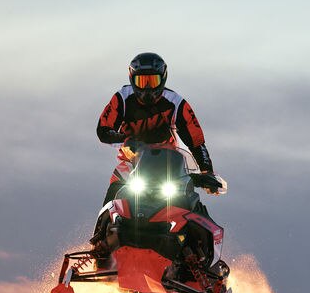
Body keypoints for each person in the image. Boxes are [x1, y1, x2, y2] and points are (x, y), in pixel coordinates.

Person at [95, 52, 223, 206]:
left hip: (168, 163)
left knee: (189, 200)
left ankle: (198, 227)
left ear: (163, 79)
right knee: (113, 195)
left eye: (153, 81)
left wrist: (207, 171)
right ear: (132, 79)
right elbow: (103, 129)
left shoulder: (176, 102)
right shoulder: (122, 98)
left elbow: (196, 140)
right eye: (142, 81)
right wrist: (125, 140)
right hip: (131, 159)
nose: (147, 88)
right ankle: (102, 227)